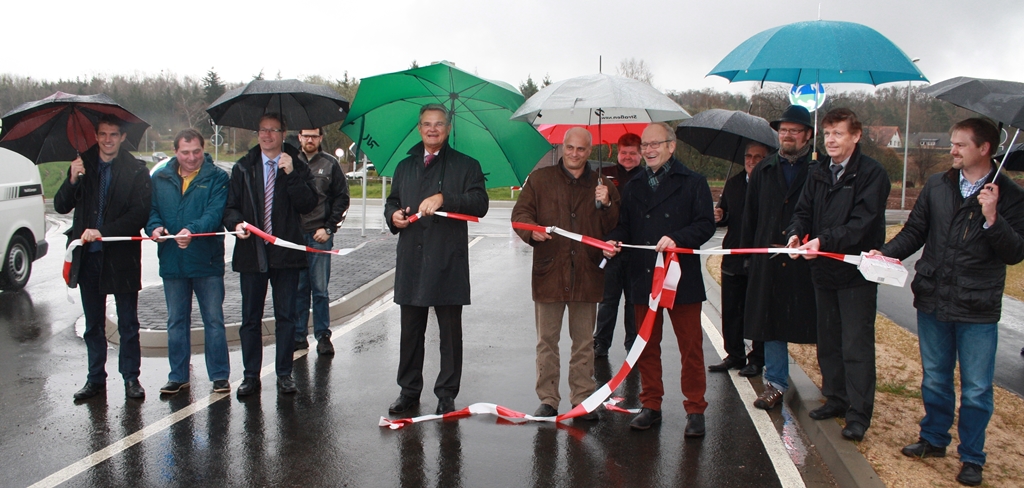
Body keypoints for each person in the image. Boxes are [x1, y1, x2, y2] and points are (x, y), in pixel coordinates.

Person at [873, 118, 1024, 487]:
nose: (951, 150)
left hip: (978, 307)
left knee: (976, 388)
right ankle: (934, 438)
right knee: (936, 378)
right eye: (953, 143)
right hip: (933, 297)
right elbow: (915, 231)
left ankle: (972, 456)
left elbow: (1015, 252)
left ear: (985, 148)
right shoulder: (938, 185)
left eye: (959, 145)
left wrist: (992, 218)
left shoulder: (1012, 195)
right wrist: (886, 254)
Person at [604, 122, 716, 435]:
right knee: (646, 346)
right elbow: (625, 226)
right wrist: (614, 239)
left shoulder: (694, 182)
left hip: (681, 277)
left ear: (671, 146)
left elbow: (705, 225)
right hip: (643, 276)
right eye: (645, 145)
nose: (649, 150)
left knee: (690, 347)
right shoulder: (635, 184)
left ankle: (695, 410)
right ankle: (651, 404)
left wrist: (677, 238)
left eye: (656, 144)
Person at [786, 108, 890, 442]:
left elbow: (862, 223)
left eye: (838, 133)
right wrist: (795, 233)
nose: (831, 140)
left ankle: (859, 415)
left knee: (856, 345)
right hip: (822, 271)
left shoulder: (873, 174)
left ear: (856, 136)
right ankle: (837, 398)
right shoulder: (817, 172)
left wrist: (823, 240)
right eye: (827, 133)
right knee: (828, 339)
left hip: (856, 273)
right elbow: (802, 211)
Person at [384, 104, 489, 416]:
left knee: (449, 334)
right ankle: (409, 391)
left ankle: (446, 393)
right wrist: (394, 216)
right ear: (419, 129)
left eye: (439, 124)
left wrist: (445, 197)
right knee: (411, 332)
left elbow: (480, 204)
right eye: (427, 124)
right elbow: (392, 200)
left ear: (448, 128)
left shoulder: (467, 165)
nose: (432, 129)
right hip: (412, 260)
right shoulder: (405, 166)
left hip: (447, 259)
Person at [512, 127, 620, 419]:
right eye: (570, 148)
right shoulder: (539, 180)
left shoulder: (603, 184)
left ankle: (582, 398)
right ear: (562, 148)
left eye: (581, 149)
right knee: (547, 340)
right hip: (550, 273)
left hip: (587, 274)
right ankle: (547, 399)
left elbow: (614, 226)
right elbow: (520, 217)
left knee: (584, 342)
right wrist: (532, 234)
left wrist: (608, 202)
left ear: (589, 151)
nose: (575, 154)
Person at [54, 114, 152, 401]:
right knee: (93, 324)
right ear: (96, 136)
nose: (108, 139)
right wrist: (72, 179)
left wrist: (103, 232)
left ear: (122, 137)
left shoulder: (136, 169)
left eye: (114, 134)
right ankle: (95, 378)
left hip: (121, 257)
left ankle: (131, 378)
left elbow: (139, 215)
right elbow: (61, 205)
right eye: (102, 134)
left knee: (128, 324)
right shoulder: (84, 165)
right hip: (89, 259)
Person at [223, 113, 317, 398]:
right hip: (252, 253)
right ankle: (251, 376)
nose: (266, 136)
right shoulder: (244, 167)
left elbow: (308, 203)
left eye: (273, 130)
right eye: (262, 130)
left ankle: (284, 374)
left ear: (283, 133)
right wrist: (236, 223)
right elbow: (230, 208)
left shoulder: (296, 165)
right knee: (250, 318)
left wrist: (292, 175)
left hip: (285, 254)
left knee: (286, 317)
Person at [740, 105, 820, 411]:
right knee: (771, 323)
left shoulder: (819, 169)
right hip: (769, 257)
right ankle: (774, 383)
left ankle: (834, 387)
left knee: (818, 323)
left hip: (807, 258)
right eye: (783, 130)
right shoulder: (765, 169)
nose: (787, 136)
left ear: (808, 135)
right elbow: (751, 215)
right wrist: (748, 255)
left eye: (794, 131)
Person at [146, 129, 231, 395]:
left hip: (206, 262)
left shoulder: (217, 178)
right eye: (185, 152)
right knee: (176, 321)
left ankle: (219, 376)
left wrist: (191, 231)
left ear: (202, 149)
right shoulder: (159, 178)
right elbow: (151, 211)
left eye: (196, 151)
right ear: (175, 152)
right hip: (172, 261)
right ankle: (178, 375)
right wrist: (156, 227)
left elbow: (215, 214)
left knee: (214, 320)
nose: (191, 157)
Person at [708, 141, 768, 375]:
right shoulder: (732, 184)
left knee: (757, 310)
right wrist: (720, 216)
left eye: (758, 157)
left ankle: (757, 358)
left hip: (759, 257)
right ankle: (734, 354)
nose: (751, 161)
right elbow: (725, 217)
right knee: (731, 309)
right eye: (748, 156)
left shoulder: (770, 185)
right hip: (733, 254)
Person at [293, 127, 350, 355]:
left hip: (319, 236)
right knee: (298, 288)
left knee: (320, 289)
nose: (309, 140)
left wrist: (328, 228)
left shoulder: (330, 164)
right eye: (306, 135)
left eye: (314, 136)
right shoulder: (288, 162)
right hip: (294, 238)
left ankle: (323, 335)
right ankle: (298, 335)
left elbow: (342, 198)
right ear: (299, 137)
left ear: (320, 138)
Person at [593, 133, 643, 358]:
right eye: (624, 152)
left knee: (634, 302)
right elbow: (592, 211)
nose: (628, 157)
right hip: (610, 248)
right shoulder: (603, 176)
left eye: (633, 153)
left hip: (637, 250)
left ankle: (633, 345)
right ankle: (601, 343)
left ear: (640, 154)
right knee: (607, 301)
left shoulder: (648, 177)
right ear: (617, 151)